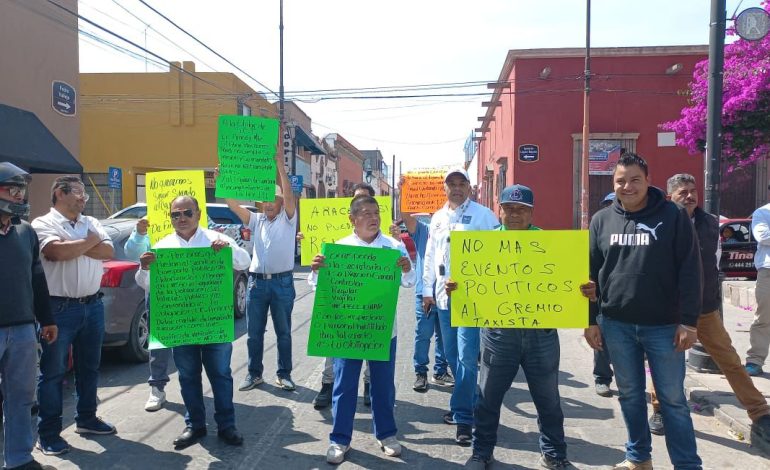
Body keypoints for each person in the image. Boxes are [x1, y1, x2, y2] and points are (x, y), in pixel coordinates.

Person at [584, 153, 702, 470]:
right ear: (613, 184)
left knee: (673, 400)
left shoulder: (674, 215)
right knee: (631, 396)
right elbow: (590, 276)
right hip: (616, 325)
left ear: (648, 180)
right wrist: (590, 321)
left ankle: (688, 464)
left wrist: (689, 323)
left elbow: (691, 270)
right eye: (620, 181)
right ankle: (639, 458)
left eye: (635, 179)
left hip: (664, 326)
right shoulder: (601, 220)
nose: (628, 186)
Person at [461, 184, 589, 470]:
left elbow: (569, 285)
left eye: (522, 209)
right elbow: (470, 285)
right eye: (509, 208)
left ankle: (554, 454)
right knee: (488, 398)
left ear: (532, 212)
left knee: (549, 401)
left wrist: (584, 290)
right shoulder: (483, 245)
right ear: (500, 210)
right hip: (498, 335)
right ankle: (481, 452)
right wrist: (456, 288)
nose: (515, 214)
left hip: (541, 334)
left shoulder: (552, 244)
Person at [642, 174, 770, 441]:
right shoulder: (659, 223)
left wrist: (710, 299)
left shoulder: (711, 224)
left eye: (692, 191)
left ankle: (760, 413)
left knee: (730, 361)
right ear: (670, 197)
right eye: (682, 192)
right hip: (669, 310)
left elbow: (715, 263)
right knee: (664, 361)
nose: (689, 196)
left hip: (704, 309)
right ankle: (660, 409)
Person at [135, 195, 250, 449]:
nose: (182, 218)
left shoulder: (216, 240)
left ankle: (226, 425)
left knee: (220, 374)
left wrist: (229, 251)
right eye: (176, 215)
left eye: (187, 213)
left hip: (213, 323)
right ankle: (195, 425)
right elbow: (148, 286)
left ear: (198, 214)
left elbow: (245, 263)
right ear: (170, 218)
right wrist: (144, 268)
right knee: (187, 376)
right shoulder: (162, 246)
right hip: (182, 323)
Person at [308, 195, 415, 465]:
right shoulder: (340, 248)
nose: (372, 217)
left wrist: (406, 268)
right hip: (348, 331)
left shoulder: (393, 246)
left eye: (375, 212)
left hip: (381, 330)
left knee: (382, 386)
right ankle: (339, 439)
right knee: (344, 386)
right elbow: (318, 287)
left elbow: (409, 282)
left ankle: (387, 435)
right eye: (365, 213)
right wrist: (317, 269)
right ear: (352, 220)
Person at [32, 176, 117, 456]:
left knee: (89, 368)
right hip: (58, 309)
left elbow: (108, 250)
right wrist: (88, 242)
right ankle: (48, 434)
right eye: (79, 192)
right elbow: (55, 252)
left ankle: (87, 418)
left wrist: (77, 244)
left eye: (84, 193)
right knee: (53, 373)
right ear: (59, 193)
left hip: (92, 306)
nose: (84, 198)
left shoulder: (90, 222)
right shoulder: (43, 223)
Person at [423, 167, 499, 446]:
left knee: (467, 357)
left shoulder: (483, 216)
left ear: (469, 187)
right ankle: (470, 399)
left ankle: (463, 417)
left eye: (461, 183)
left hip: (472, 299)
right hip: (444, 297)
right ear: (444, 188)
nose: (456, 188)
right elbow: (431, 254)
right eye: (451, 184)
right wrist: (427, 289)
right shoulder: (438, 217)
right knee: (453, 355)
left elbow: (496, 253)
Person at [225, 145, 299, 393]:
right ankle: (254, 374)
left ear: (280, 203)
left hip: (282, 282)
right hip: (257, 283)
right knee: (254, 334)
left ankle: (284, 374)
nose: (268, 204)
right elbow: (234, 207)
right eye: (264, 200)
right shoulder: (257, 220)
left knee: (283, 333)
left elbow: (289, 195)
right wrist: (222, 180)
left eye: (273, 200)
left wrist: (280, 164)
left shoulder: (288, 219)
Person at [0, 163, 58, 470]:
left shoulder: (25, 232)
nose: (20, 195)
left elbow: (36, 278)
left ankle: (19, 459)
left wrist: (47, 319)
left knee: (21, 399)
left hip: (23, 329)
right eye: (12, 189)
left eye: (21, 189)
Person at [312, 183, 376, 408]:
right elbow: (321, 277)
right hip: (343, 306)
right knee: (335, 349)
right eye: (359, 203)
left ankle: (369, 386)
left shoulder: (384, 241)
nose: (367, 212)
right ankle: (328, 384)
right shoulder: (340, 239)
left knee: (373, 346)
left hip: (370, 309)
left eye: (370, 204)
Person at [391, 212, 452, 393]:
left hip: (447, 294)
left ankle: (440, 371)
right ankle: (421, 373)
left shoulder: (454, 231)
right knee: (423, 334)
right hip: (424, 294)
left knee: (444, 336)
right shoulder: (424, 231)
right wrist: (404, 189)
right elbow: (407, 215)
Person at [124, 217, 171, 412]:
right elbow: (133, 253)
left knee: (190, 346)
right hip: (159, 293)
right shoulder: (153, 219)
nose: (181, 217)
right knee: (158, 344)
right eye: (176, 214)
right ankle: (157, 389)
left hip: (190, 294)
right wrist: (140, 233)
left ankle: (191, 387)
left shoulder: (199, 220)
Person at [593, 192, 616, 398]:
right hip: (602, 296)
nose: (610, 207)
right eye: (607, 204)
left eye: (612, 202)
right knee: (601, 342)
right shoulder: (599, 225)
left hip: (625, 297)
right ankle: (602, 378)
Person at [747, 195, 770, 377]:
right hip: (768, 271)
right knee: (764, 318)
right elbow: (763, 236)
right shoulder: (763, 212)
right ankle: (755, 360)